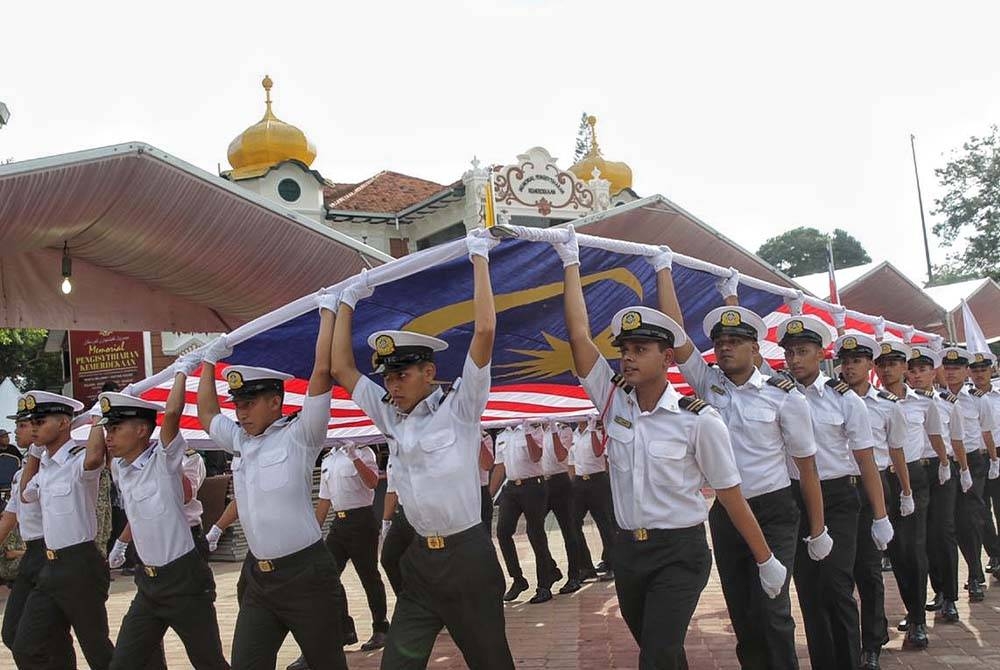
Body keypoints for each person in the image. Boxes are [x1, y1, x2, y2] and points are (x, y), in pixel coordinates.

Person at [557, 229, 787, 669]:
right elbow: (579, 337)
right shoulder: (611, 402)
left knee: (659, 653)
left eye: (640, 349)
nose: (627, 358)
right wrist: (571, 263)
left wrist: (765, 558)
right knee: (658, 651)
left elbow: (730, 494)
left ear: (667, 358)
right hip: (627, 552)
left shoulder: (698, 419)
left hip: (680, 553)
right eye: (624, 350)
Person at [331, 229, 515, 669]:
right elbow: (340, 366)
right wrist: (345, 301)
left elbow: (485, 330)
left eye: (401, 376)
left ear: (428, 371)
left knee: (491, 662)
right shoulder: (389, 414)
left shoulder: (461, 407)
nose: (391, 386)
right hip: (420, 564)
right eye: (388, 378)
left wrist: (479, 259)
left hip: (466, 559)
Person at [658, 260, 824, 670]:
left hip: (774, 511)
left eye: (735, 341)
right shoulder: (708, 382)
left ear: (756, 349)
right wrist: (663, 270)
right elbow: (675, 335)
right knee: (743, 614)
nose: (726, 347)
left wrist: (817, 529)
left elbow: (806, 467)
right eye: (720, 341)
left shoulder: (784, 396)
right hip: (728, 514)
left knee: (774, 611)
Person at [195, 291, 348, 670]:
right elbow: (207, 413)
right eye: (238, 405)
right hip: (259, 579)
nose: (241, 412)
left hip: (306, 575)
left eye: (249, 403)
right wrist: (208, 363)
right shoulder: (240, 442)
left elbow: (321, 372)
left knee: (328, 663)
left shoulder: (301, 435)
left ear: (276, 402)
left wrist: (328, 314)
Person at [772, 313, 891, 670]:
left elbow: (866, 460)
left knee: (837, 586)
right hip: (795, 498)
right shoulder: (777, 395)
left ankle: (851, 661)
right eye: (790, 352)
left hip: (838, 499)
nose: (795, 359)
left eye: (803, 351)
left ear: (821, 353)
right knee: (809, 591)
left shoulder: (844, 400)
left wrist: (881, 516)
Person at [98, 372, 230, 669]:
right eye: (108, 430)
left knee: (208, 662)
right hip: (149, 584)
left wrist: (182, 371)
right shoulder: (121, 469)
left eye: (116, 429)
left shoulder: (164, 462)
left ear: (143, 430)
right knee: (123, 663)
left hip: (183, 581)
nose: (109, 437)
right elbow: (138, 515)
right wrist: (121, 543)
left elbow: (171, 413)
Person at [13, 391, 115, 669]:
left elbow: (95, 458)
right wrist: (34, 451)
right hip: (50, 566)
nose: (33, 427)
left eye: (40, 421)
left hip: (80, 564)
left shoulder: (76, 460)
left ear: (62, 423)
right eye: (31, 422)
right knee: (25, 646)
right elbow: (25, 495)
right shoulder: (44, 466)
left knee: (97, 650)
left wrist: (97, 420)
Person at [833, 332, 910, 669]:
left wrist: (905, 492)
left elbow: (896, 450)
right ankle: (846, 642)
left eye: (857, 361)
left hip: (874, 487)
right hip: (838, 489)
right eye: (845, 362)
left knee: (868, 568)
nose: (849, 367)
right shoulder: (827, 398)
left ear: (869, 365)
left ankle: (872, 642)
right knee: (839, 571)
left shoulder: (888, 406)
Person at [875, 340, 945, 651]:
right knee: (891, 549)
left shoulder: (924, 404)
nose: (887, 368)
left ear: (905, 367)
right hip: (878, 479)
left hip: (913, 478)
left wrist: (945, 464)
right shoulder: (870, 401)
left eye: (894, 363)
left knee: (912, 547)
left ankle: (917, 618)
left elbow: (934, 437)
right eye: (882, 363)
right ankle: (909, 608)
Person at [1, 400, 76, 668]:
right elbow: (10, 516)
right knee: (12, 633)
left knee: (42, 637)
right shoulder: (23, 472)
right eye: (22, 425)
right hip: (32, 555)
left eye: (29, 425)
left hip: (52, 553)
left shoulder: (57, 466)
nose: (23, 431)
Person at [909, 346, 969, 622]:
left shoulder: (947, 402)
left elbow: (956, 438)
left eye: (923, 369)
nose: (917, 375)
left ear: (934, 372)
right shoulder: (901, 402)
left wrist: (962, 468)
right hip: (913, 472)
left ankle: (950, 597)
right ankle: (934, 592)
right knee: (919, 538)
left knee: (942, 532)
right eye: (913, 370)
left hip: (942, 469)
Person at [315, 442, 389, 653]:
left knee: (368, 576)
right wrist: (313, 532)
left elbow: (373, 482)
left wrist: (355, 457)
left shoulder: (364, 452)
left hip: (361, 520)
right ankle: (343, 629)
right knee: (327, 575)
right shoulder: (328, 459)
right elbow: (324, 500)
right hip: (339, 523)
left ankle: (381, 628)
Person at [940, 347, 998, 600]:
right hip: (946, 463)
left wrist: (993, 459)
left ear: (966, 372)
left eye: (957, 369)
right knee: (947, 525)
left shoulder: (977, 399)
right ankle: (946, 586)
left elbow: (986, 432)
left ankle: (975, 574)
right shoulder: (935, 398)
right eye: (948, 368)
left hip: (974, 463)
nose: (951, 373)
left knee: (970, 519)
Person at [490, 421, 559, 603]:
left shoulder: (533, 428)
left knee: (535, 534)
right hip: (512, 487)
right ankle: (518, 579)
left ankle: (544, 585)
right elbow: (499, 466)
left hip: (533, 486)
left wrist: (528, 433)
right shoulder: (502, 434)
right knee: (503, 533)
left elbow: (536, 456)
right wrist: (489, 496)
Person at [566, 419, 618, 583]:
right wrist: (572, 482)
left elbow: (598, 452)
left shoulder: (599, 430)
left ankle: (613, 565)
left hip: (598, 480)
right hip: (580, 481)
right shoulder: (574, 435)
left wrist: (592, 428)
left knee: (605, 524)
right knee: (573, 524)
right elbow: (571, 463)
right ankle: (586, 567)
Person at [540, 421, 585, 594]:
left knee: (569, 530)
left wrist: (552, 431)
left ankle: (574, 575)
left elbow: (561, 456)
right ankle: (551, 570)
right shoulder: (533, 428)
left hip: (560, 482)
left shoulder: (563, 429)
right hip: (542, 484)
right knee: (533, 529)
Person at [970, 352, 1000, 576]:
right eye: (975, 370)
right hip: (978, 456)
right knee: (980, 510)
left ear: (992, 370)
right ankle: (995, 553)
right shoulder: (968, 397)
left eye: (983, 369)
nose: (979, 374)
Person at [479, 430, 495, 534]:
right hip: (460, 492)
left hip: (480, 491)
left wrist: (478, 440)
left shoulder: (484, 437)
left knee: (484, 536)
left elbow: (487, 465)